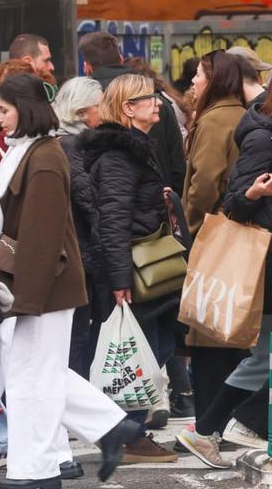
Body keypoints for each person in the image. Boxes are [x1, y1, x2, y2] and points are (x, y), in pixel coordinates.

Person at [0, 74, 139, 489]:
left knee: (32, 377)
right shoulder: (30, 151)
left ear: (25, 109)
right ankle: (90, 438)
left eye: (4, 110)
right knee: (37, 374)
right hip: (31, 285)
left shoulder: (41, 156)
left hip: (37, 287)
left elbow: (43, 237)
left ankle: (40, 466)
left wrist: (24, 300)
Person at [177, 64, 272, 467]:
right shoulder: (262, 139)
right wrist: (255, 193)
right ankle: (205, 431)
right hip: (271, 262)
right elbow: (233, 204)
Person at [80, 74, 180, 464]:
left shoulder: (135, 149)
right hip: (133, 269)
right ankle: (128, 433)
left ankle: (126, 430)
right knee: (139, 351)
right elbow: (114, 219)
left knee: (157, 344)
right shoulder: (119, 156)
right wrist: (119, 279)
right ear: (127, 108)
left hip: (143, 264)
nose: (157, 103)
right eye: (148, 97)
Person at [181, 52, 250, 415]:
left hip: (214, 236)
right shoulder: (242, 114)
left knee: (209, 334)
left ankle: (211, 418)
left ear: (215, 80)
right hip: (238, 232)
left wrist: (191, 228)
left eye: (199, 75)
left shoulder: (213, 120)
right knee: (234, 332)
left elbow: (204, 183)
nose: (193, 81)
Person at [79, 31, 185, 192]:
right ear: (121, 60)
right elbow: (178, 164)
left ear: (87, 67)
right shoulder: (159, 100)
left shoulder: (85, 105)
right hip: (161, 197)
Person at [53, 77, 105, 379]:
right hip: (80, 254)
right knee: (78, 336)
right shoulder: (72, 145)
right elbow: (90, 200)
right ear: (82, 111)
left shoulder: (69, 143)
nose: (104, 111)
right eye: (99, 105)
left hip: (78, 251)